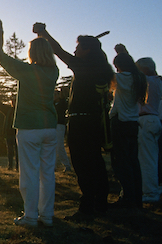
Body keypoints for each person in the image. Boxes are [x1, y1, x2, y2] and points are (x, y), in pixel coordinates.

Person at [34, 22, 114, 221]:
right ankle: (101, 204)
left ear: (87, 50)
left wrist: (43, 33)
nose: (75, 50)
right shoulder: (103, 69)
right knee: (95, 163)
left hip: (81, 123)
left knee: (83, 165)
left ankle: (87, 207)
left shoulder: (85, 67)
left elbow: (58, 51)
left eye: (78, 47)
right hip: (96, 122)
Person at [0, 21, 59, 227]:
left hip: (30, 128)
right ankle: (46, 215)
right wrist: (43, 34)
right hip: (50, 127)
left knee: (30, 173)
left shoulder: (27, 71)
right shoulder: (53, 72)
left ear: (32, 53)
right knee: (47, 174)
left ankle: (30, 216)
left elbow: (1, 57)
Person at [108, 44, 147, 209]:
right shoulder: (138, 78)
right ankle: (136, 198)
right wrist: (123, 53)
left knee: (121, 163)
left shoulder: (123, 78)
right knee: (133, 162)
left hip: (120, 123)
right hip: (132, 124)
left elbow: (107, 74)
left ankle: (128, 198)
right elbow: (129, 65)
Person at [136, 57, 162, 203]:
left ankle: (151, 193)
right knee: (150, 158)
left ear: (145, 69)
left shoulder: (148, 81)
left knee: (147, 160)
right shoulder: (157, 81)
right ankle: (149, 190)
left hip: (146, 119)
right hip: (152, 119)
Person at [0, 94, 18, 170]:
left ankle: (17, 166)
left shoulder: (18, 110)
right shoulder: (8, 110)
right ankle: (10, 166)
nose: (13, 102)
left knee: (17, 152)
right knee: (10, 152)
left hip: (16, 134)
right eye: (12, 101)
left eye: (14, 101)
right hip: (9, 134)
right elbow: (1, 106)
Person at [54, 88, 72, 172]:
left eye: (55, 94)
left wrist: (62, 96)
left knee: (60, 146)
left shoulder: (62, 103)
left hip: (60, 125)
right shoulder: (52, 104)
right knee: (52, 147)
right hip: (53, 126)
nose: (54, 96)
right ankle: (53, 165)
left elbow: (65, 103)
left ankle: (67, 165)